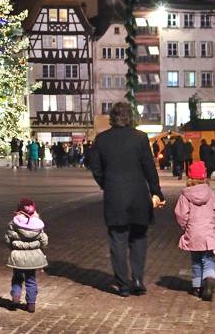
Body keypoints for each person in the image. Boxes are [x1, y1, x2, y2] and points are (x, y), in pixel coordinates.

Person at [90, 102, 165, 297]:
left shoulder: (102, 139)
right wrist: (156, 192)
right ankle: (138, 278)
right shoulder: (140, 138)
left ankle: (123, 284)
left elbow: (95, 168)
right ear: (130, 117)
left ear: (112, 118)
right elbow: (149, 167)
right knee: (139, 237)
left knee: (118, 240)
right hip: (139, 195)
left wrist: (107, 183)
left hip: (115, 196)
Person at [174, 161, 215, 301]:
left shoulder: (185, 195)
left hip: (193, 232)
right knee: (208, 259)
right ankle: (209, 278)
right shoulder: (211, 193)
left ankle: (197, 287)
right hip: (208, 232)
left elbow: (181, 214)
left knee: (196, 260)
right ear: (204, 175)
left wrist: (185, 227)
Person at [5, 198, 48, 313]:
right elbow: (44, 240)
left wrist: (12, 247)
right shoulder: (38, 224)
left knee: (17, 278)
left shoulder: (13, 224)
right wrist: (42, 249)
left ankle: (15, 297)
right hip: (33, 257)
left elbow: (7, 239)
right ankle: (31, 304)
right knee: (31, 280)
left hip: (18, 256)